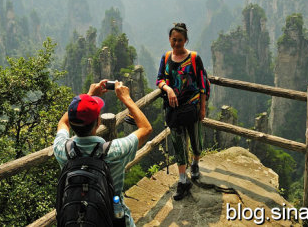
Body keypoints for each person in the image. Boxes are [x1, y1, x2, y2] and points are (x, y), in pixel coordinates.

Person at [54, 79, 152, 227]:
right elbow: (146, 129)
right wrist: (126, 98)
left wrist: (87, 97)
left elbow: (63, 122)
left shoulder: (62, 150)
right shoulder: (115, 150)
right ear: (98, 121)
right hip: (114, 219)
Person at [156, 22, 208, 201]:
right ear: (169, 39)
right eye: (173, 39)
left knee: (195, 140)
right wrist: (168, 89)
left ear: (186, 40)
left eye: (179, 40)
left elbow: (202, 84)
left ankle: (195, 163)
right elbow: (159, 80)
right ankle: (182, 180)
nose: (176, 43)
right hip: (173, 110)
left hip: (192, 108)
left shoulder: (194, 58)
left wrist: (202, 108)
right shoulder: (166, 57)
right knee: (178, 145)